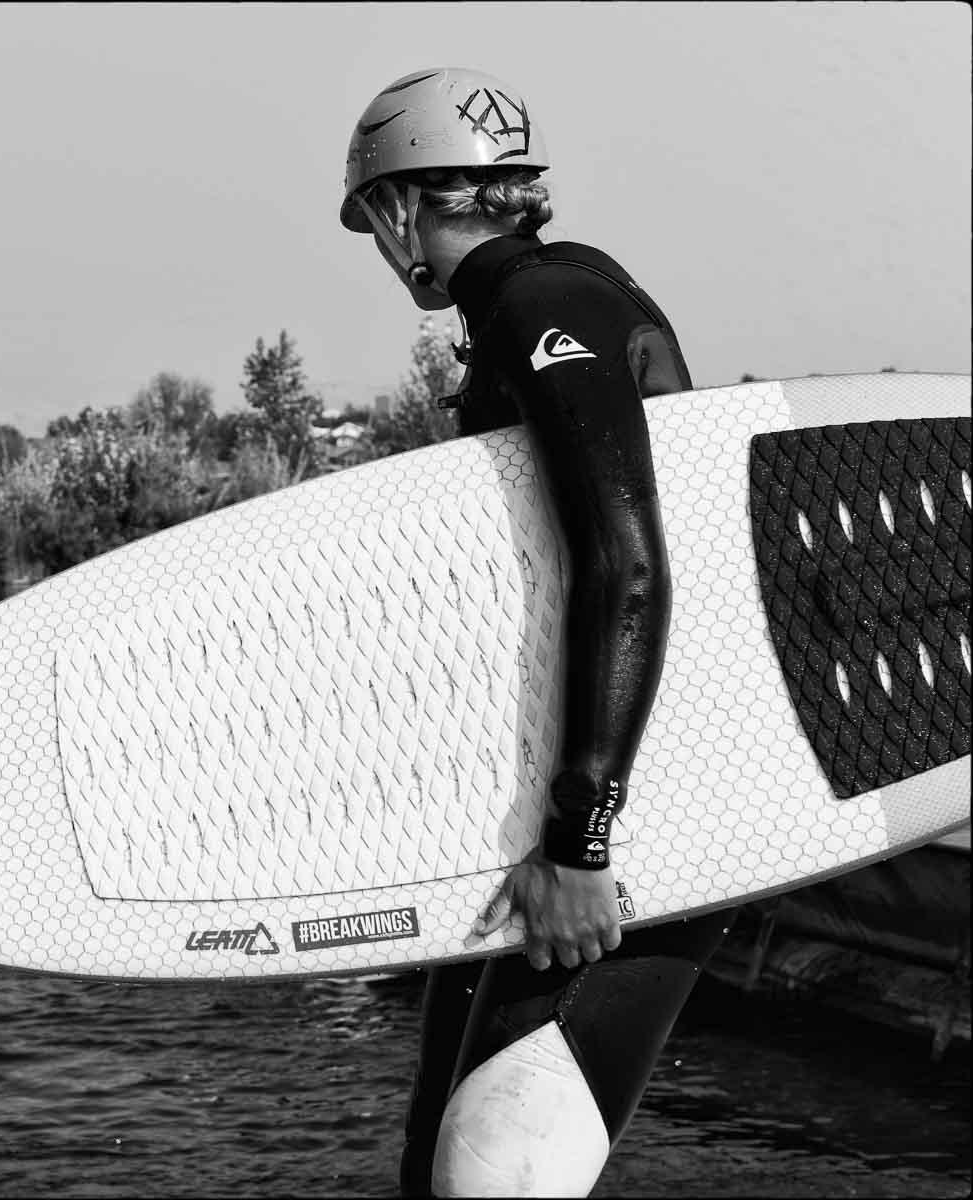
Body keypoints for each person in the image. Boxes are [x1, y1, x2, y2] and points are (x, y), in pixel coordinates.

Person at [339, 67, 736, 1197]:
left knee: (495, 1177)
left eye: (374, 223)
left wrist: (582, 840)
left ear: (399, 207)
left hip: (627, 826)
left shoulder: (540, 305)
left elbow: (626, 565)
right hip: (563, 814)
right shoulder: (568, 289)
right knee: (434, 1171)